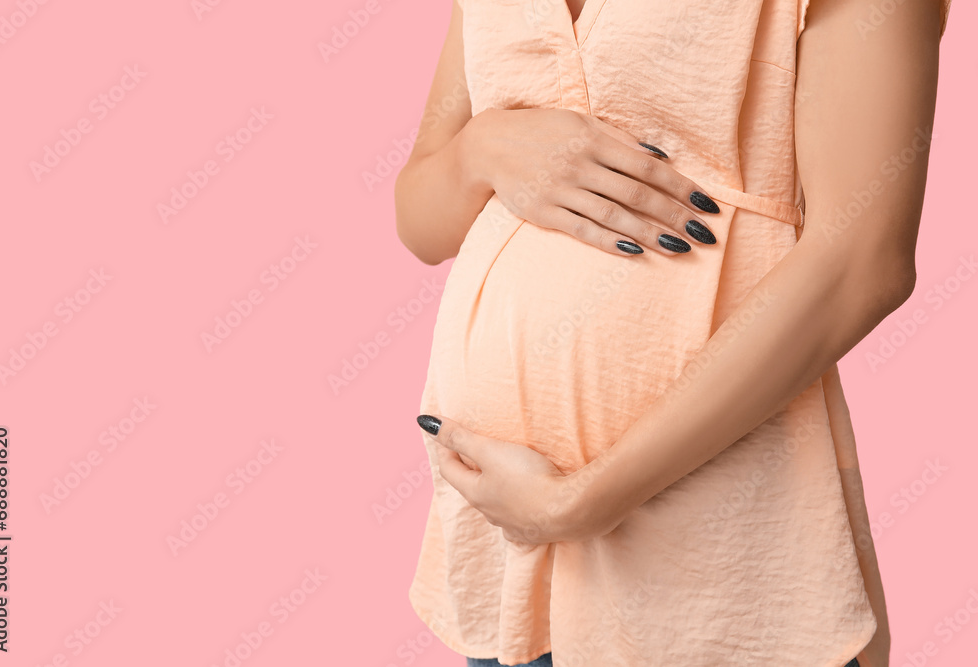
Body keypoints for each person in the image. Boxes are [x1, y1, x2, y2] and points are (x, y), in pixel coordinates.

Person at [393, 0, 953, 665]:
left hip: (713, 578)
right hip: (508, 562)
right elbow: (420, 220)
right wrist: (480, 151)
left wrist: (577, 503)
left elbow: (863, 262)